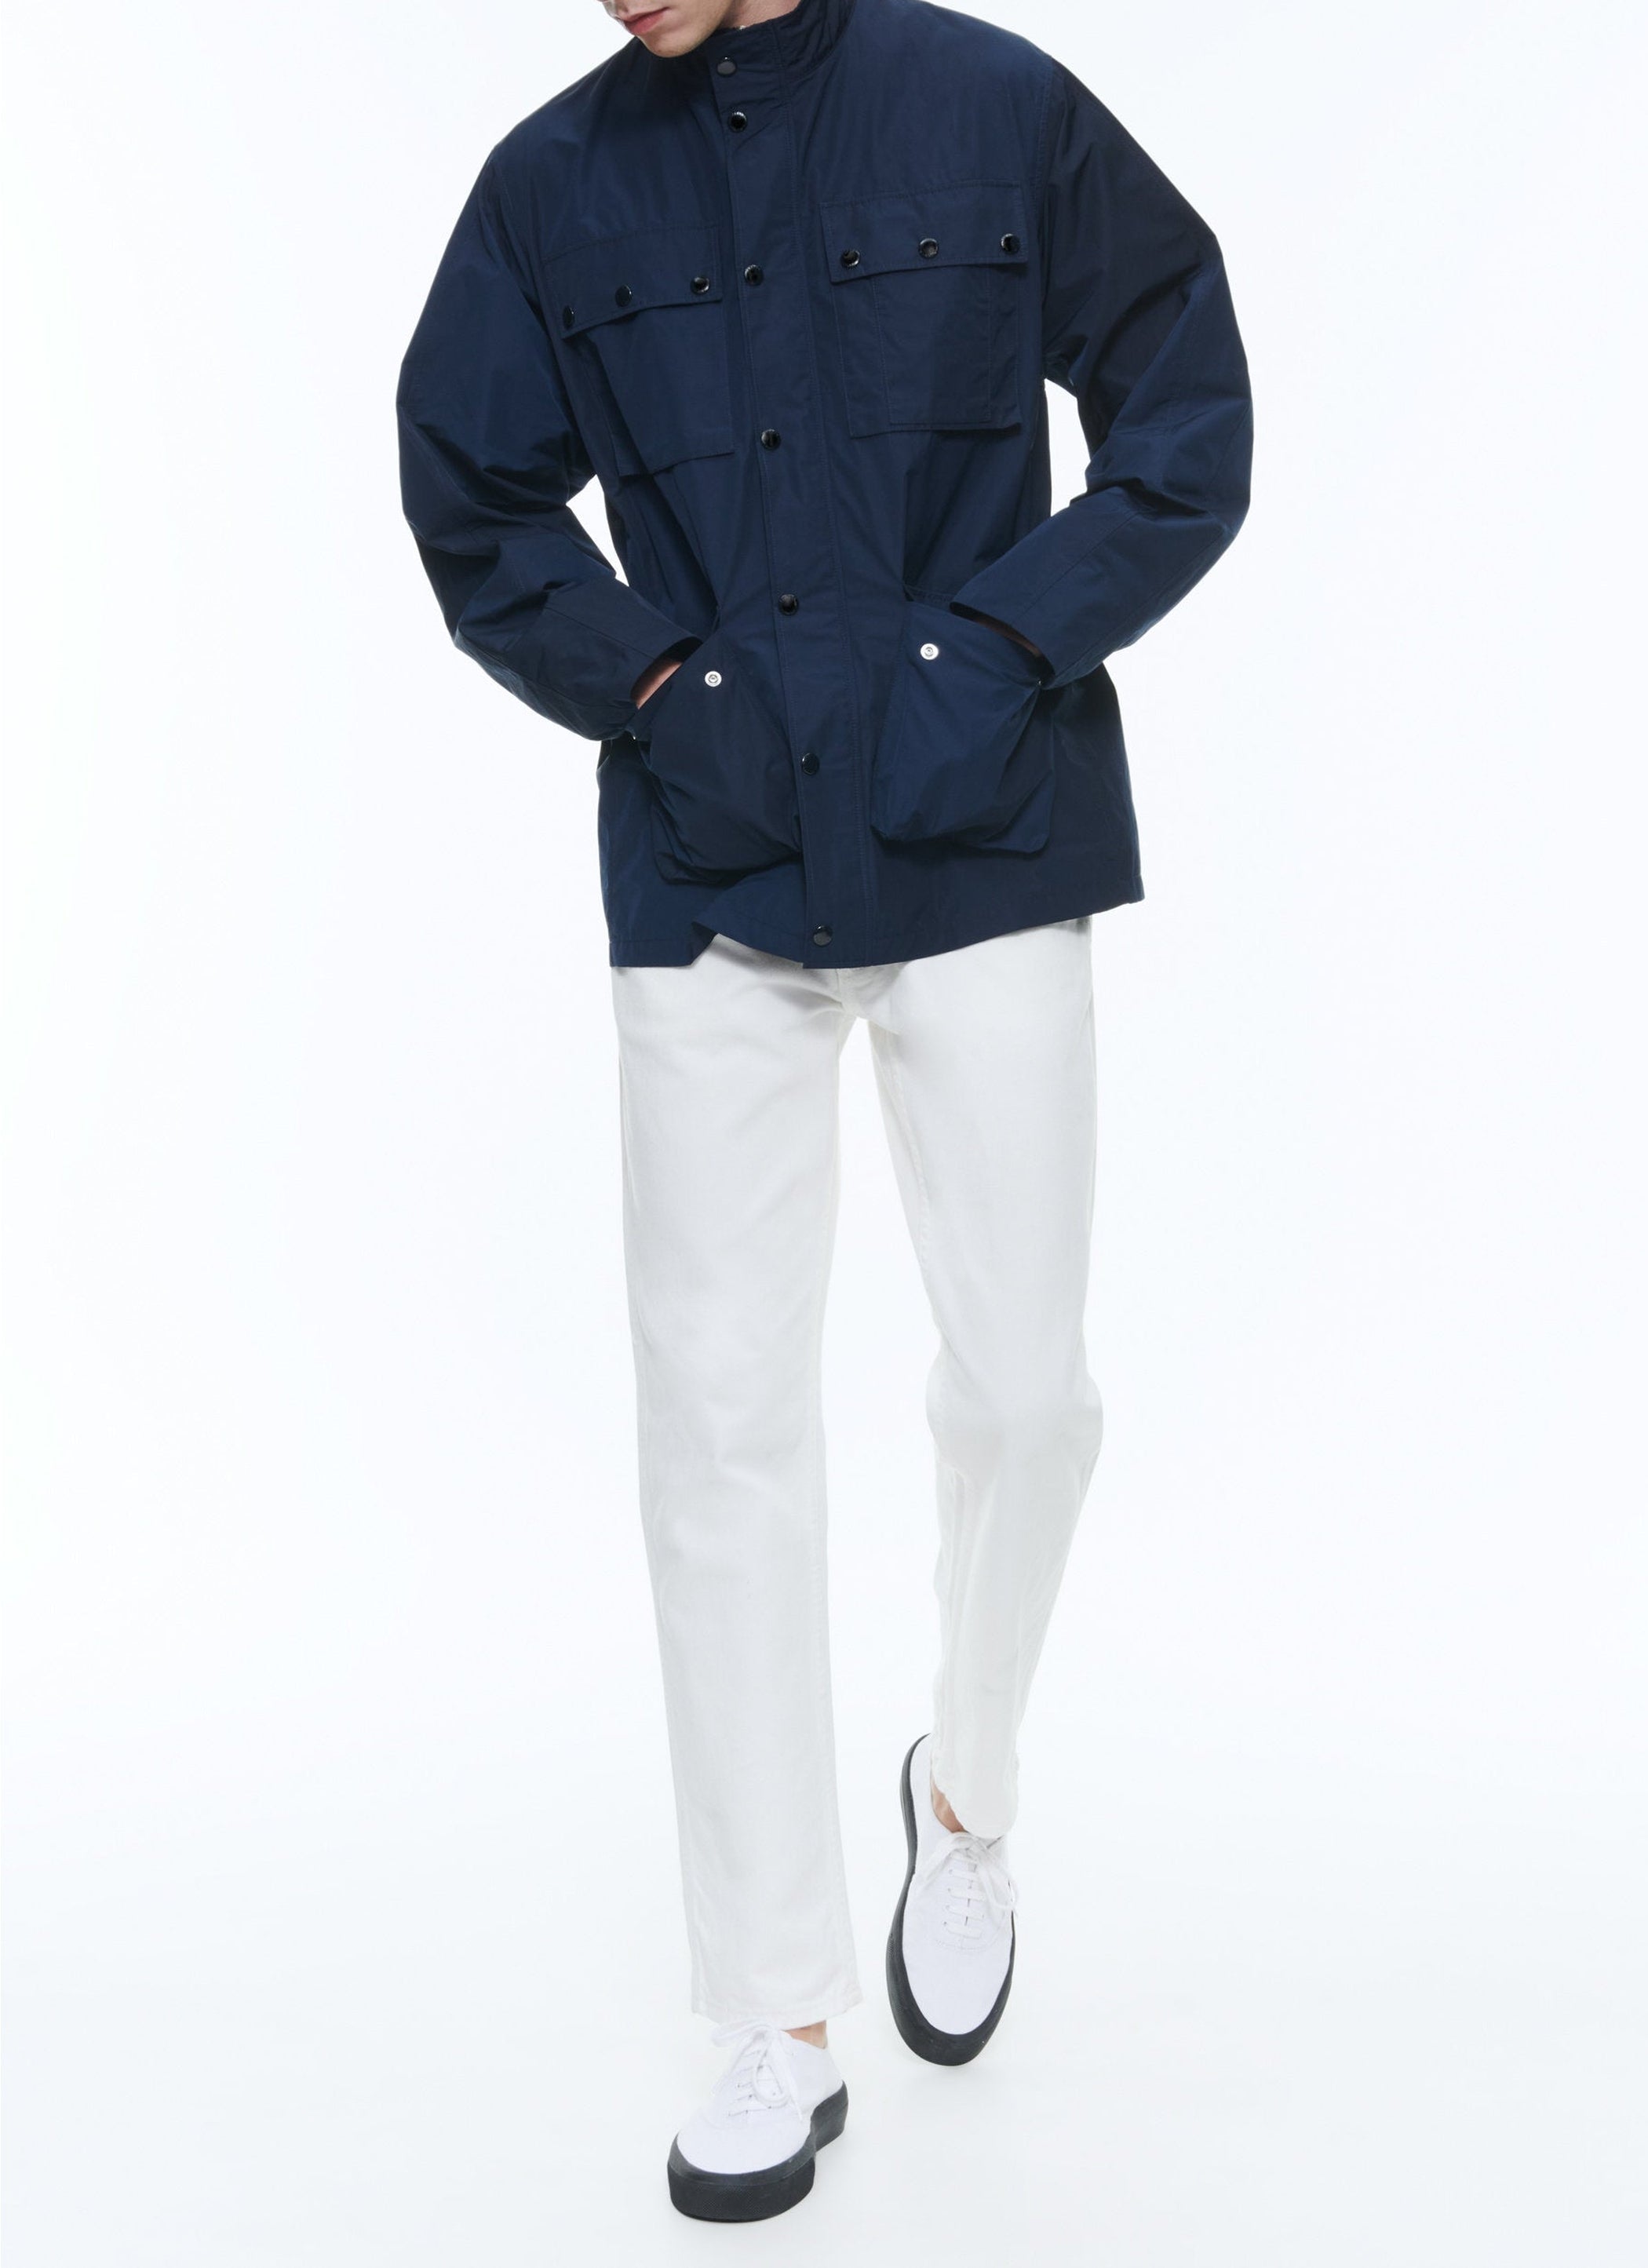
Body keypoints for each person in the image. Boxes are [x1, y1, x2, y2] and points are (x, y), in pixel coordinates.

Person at [397, 0, 1250, 2222]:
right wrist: (652, 688)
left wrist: (993, 651)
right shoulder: (549, 181)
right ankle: (771, 2008)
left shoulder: (995, 107)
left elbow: (1184, 405)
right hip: (710, 864)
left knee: (1031, 1391)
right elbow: (470, 484)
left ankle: (963, 1792)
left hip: (987, 834)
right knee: (719, 1429)